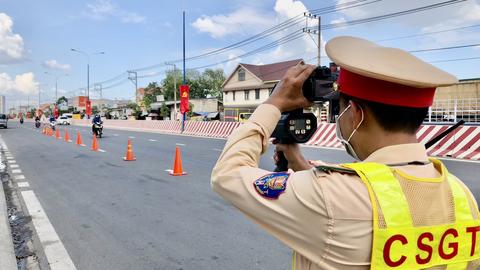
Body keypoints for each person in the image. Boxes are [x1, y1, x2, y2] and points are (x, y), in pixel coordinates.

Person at [211, 36, 480, 269]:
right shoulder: (461, 197)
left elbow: (228, 175)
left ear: (355, 114)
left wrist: (273, 104)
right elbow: (377, 200)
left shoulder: (329, 195)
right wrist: (300, 163)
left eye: (340, 110)